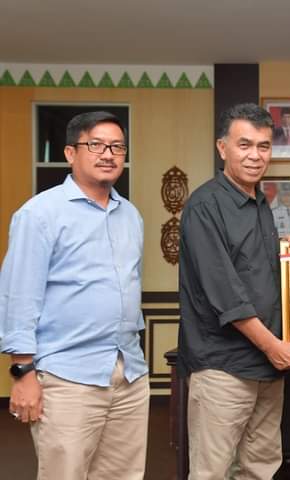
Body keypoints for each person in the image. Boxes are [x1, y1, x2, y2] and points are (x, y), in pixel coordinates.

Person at [0, 111, 148, 479]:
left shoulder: (130, 216)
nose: (108, 154)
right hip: (67, 377)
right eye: (95, 145)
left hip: (128, 373)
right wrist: (22, 373)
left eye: (117, 147)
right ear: (70, 153)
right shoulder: (39, 214)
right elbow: (18, 297)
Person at [177, 103, 290, 480]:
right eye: (245, 144)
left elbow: (263, 277)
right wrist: (274, 347)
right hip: (224, 366)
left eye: (264, 146)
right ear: (222, 148)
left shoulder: (260, 203)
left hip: (266, 366)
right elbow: (225, 294)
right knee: (212, 471)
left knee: (260, 468)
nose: (255, 155)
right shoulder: (205, 206)